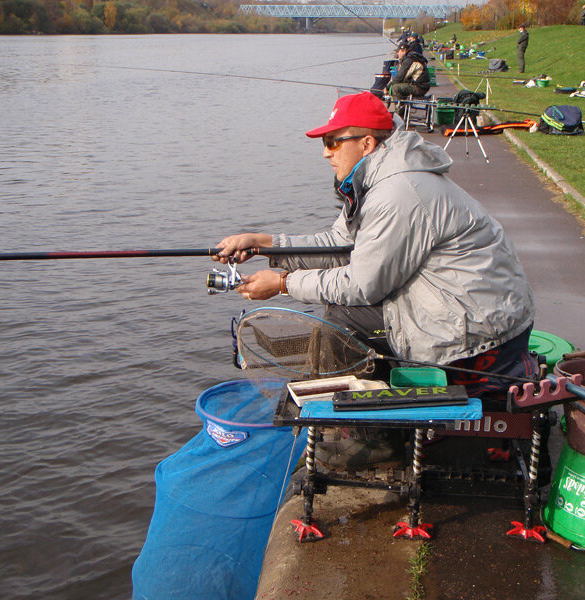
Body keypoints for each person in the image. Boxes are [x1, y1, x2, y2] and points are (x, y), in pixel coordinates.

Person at [213, 91, 536, 422]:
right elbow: (340, 244)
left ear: (366, 144)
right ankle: (367, 403)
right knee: (341, 311)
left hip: (478, 332)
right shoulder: (379, 181)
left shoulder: (397, 193)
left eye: (333, 142)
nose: (325, 153)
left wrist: (282, 283)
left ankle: (360, 428)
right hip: (463, 308)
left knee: (341, 319)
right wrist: (266, 244)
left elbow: (362, 285)